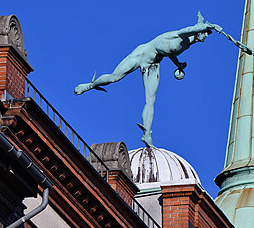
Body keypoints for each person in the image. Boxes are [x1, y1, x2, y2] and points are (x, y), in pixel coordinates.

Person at [75, 14, 220, 146]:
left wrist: (178, 64)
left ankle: (146, 134)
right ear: (199, 31)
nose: (206, 37)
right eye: (205, 34)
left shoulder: (187, 44)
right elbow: (186, 30)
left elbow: (169, 52)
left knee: (150, 100)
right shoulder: (180, 35)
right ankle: (90, 86)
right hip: (141, 55)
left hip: (154, 64)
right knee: (114, 78)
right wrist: (210, 26)